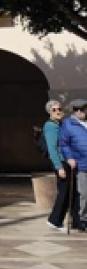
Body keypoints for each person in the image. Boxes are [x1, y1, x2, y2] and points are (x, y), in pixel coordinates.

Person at [46, 99, 84, 231]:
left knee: (73, 192)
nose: (58, 112)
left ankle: (77, 221)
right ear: (50, 112)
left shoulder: (62, 124)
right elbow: (52, 148)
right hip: (62, 162)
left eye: (59, 109)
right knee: (64, 193)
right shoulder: (50, 126)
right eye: (54, 110)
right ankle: (54, 220)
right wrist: (59, 167)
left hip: (69, 161)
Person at [59, 99, 87, 234]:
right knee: (84, 194)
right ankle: (83, 220)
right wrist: (69, 158)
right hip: (82, 165)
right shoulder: (68, 124)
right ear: (79, 110)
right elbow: (64, 144)